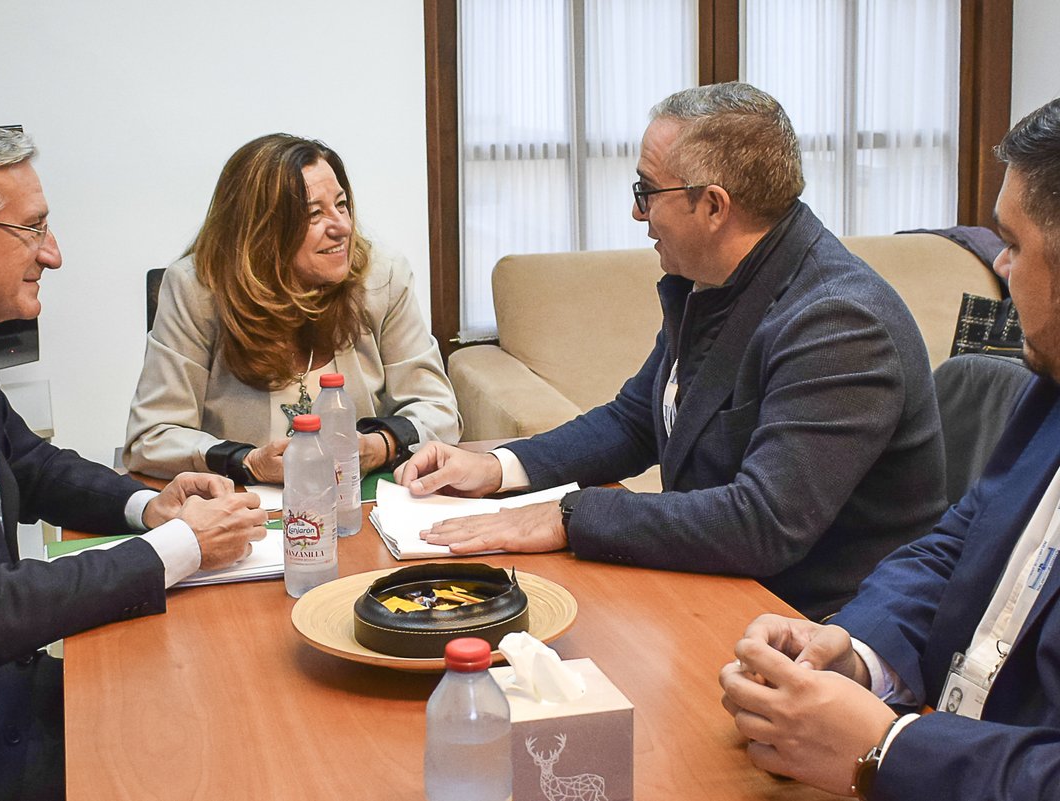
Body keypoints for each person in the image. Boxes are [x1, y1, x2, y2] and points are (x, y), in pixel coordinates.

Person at [396, 82, 945, 620]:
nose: (638, 214)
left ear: (712, 206)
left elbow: (762, 524)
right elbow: (638, 421)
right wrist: (496, 468)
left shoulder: (838, 324)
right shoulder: (713, 280)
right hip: (727, 589)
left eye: (646, 191)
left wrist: (569, 515)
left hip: (818, 626)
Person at [0, 119, 267, 801]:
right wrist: (182, 545)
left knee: (221, 701)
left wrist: (146, 505)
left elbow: (30, 463)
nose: (52, 254)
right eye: (32, 228)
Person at [719, 97, 1060, 801]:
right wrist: (855, 655)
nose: (999, 263)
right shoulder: (1049, 386)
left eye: (1015, 244)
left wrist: (885, 748)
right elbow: (955, 546)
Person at [123, 133, 461, 484]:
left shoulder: (381, 277)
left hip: (358, 502)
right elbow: (151, 438)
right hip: (243, 506)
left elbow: (439, 411)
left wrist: (380, 445)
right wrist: (248, 461)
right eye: (315, 214)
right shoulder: (197, 289)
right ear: (260, 230)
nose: (343, 227)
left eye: (342, 205)